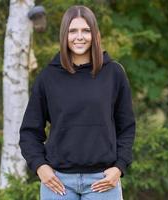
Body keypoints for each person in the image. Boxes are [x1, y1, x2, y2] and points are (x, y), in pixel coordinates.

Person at [19, 5, 135, 200]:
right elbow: (29, 131)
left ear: (95, 34)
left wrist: (119, 167)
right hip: (58, 183)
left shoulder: (114, 73)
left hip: (103, 182)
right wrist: (40, 167)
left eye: (85, 30)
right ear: (64, 35)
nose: (79, 37)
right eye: (73, 31)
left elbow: (127, 127)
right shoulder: (48, 77)